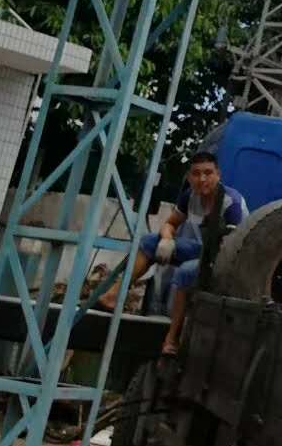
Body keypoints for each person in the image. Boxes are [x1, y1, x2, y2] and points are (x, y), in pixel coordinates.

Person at [99, 150, 246, 354]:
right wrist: (167, 239)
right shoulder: (189, 197)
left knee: (185, 272)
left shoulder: (231, 204)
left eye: (208, 173)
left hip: (227, 258)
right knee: (150, 241)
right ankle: (113, 296)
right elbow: (170, 223)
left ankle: (172, 338)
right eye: (196, 173)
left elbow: (232, 248)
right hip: (202, 250)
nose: (202, 179)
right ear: (189, 177)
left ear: (218, 175)